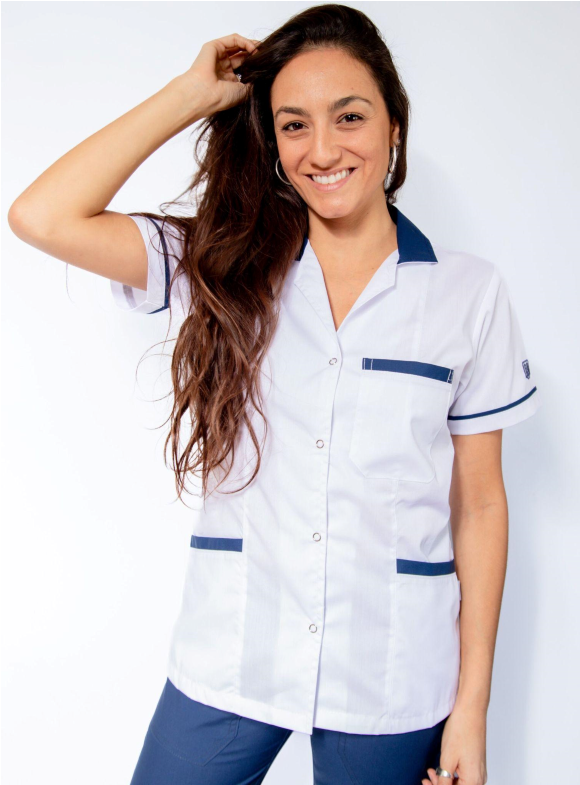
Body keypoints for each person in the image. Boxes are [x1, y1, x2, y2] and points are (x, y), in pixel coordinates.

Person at [7, 4, 541, 784]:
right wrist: (191, 95)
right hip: (234, 650)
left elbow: (482, 505)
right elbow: (40, 215)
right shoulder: (218, 265)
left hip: (389, 666)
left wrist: (471, 709)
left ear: (395, 125)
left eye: (349, 116)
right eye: (294, 125)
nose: (322, 149)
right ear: (273, 140)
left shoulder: (468, 294)